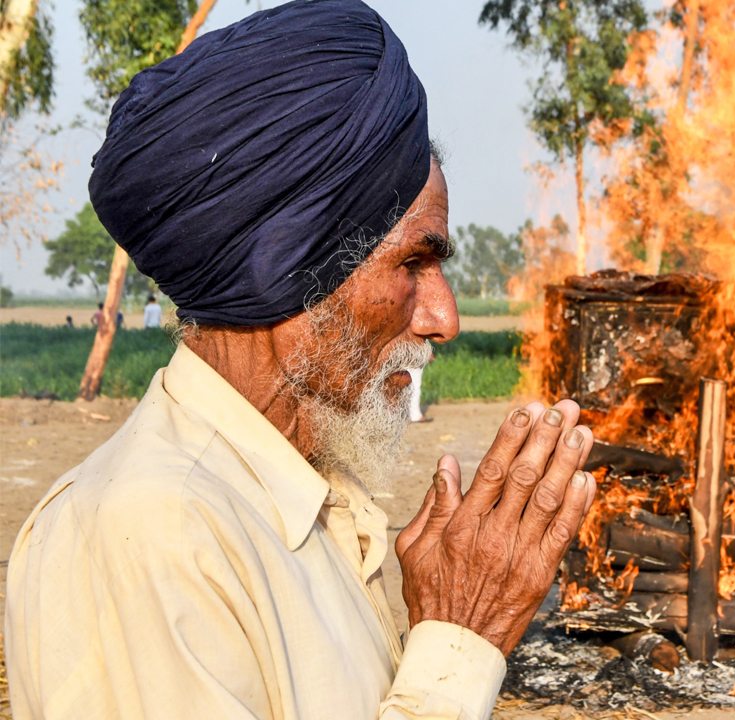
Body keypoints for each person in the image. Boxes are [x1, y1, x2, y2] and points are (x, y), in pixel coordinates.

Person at [5, 2, 597, 718]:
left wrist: (431, 620)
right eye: (413, 261)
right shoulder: (153, 532)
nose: (446, 319)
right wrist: (459, 644)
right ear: (286, 268)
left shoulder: (302, 496)